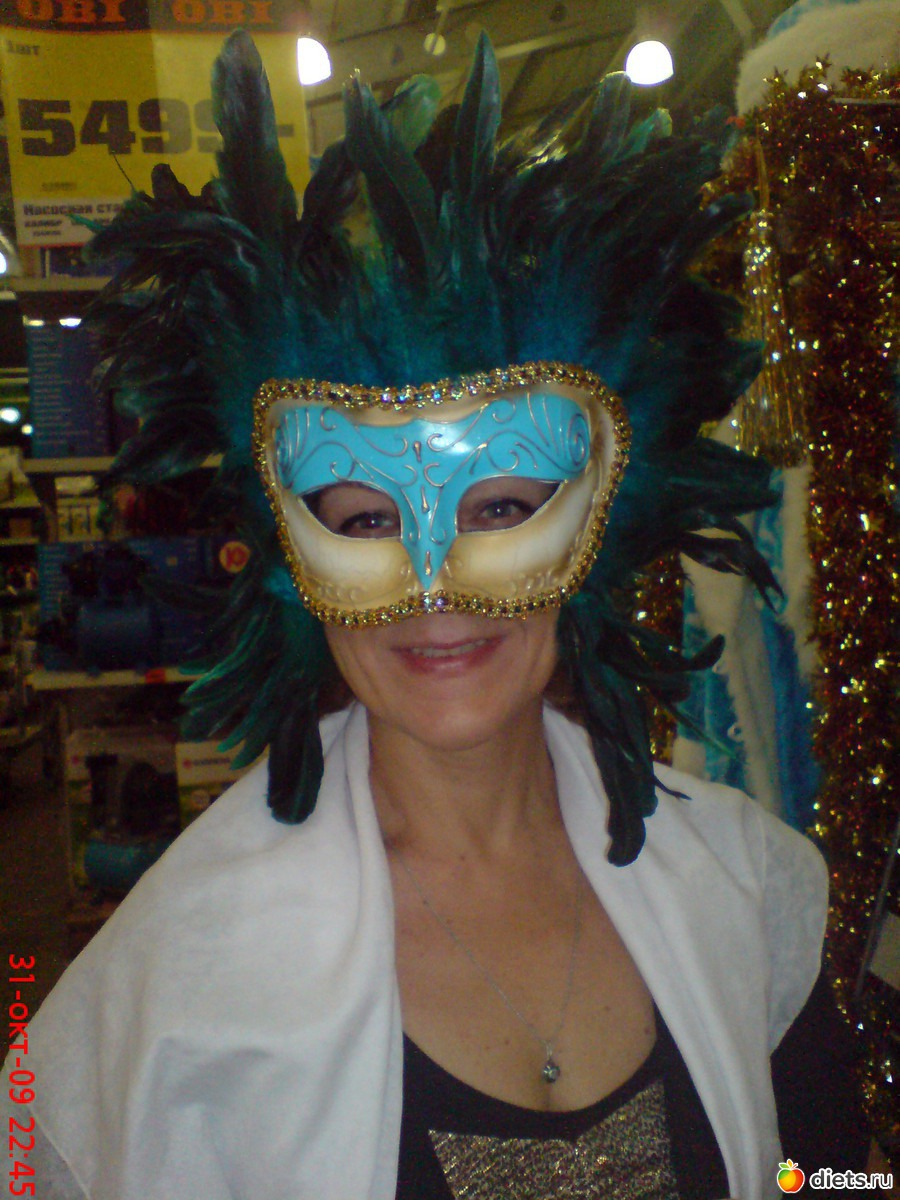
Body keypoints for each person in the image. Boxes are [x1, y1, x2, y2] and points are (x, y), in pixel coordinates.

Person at [2, 31, 875, 1200]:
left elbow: (822, 1175)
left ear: (604, 520)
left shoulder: (740, 882)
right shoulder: (181, 969)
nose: (432, 585)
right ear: (284, 554)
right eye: (363, 519)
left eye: (502, 506)